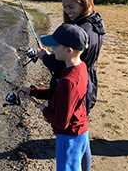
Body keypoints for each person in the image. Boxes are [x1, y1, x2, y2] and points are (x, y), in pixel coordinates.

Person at [37, 0, 105, 171]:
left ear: (84, 3)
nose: (67, 11)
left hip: (80, 88)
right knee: (82, 136)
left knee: (73, 136)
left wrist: (45, 57)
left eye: (71, 7)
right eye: (64, 7)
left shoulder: (83, 31)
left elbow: (61, 121)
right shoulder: (94, 21)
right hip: (87, 83)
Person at [17, 24, 90, 171]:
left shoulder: (68, 81)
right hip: (81, 129)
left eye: (55, 46)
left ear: (68, 51)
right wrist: (33, 92)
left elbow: (61, 122)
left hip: (68, 137)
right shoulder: (80, 67)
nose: (52, 49)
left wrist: (43, 109)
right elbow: (59, 93)